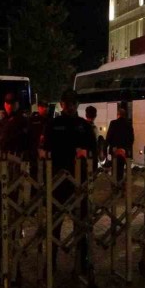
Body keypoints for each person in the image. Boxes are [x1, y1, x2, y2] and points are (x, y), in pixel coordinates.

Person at [42, 89, 96, 272]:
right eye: (67, 103)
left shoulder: (84, 126)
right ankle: (51, 262)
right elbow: (45, 149)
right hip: (57, 180)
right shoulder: (53, 124)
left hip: (79, 180)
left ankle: (82, 260)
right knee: (55, 223)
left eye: (73, 103)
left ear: (77, 104)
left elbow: (94, 151)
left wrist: (86, 155)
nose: (70, 106)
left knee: (81, 222)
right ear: (62, 104)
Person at [106, 107, 135, 181]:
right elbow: (131, 138)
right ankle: (121, 181)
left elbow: (109, 136)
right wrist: (127, 148)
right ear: (124, 115)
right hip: (124, 150)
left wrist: (110, 145)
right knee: (121, 167)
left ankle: (114, 183)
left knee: (114, 167)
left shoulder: (113, 123)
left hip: (115, 149)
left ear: (118, 114)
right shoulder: (128, 124)